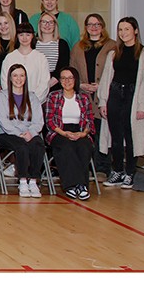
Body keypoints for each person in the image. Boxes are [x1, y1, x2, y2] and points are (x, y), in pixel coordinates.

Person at [98, 17, 144, 190]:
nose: (123, 33)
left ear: (135, 31)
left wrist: (142, 105)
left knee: (131, 137)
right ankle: (117, 171)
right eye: (120, 29)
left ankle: (130, 172)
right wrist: (103, 101)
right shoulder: (114, 53)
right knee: (115, 136)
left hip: (133, 96)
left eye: (127, 29)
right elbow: (106, 78)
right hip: (115, 94)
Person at [71, 13, 115, 175]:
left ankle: (102, 167)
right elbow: (71, 70)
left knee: (103, 133)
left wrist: (101, 86)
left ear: (102, 26)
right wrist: (81, 85)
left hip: (104, 96)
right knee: (86, 132)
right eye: (90, 24)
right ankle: (87, 167)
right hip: (84, 96)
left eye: (97, 24)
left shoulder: (112, 46)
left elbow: (116, 72)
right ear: (86, 27)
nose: (94, 27)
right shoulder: (78, 47)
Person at [0, 63, 46, 198]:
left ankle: (33, 181)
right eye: (15, 76)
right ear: (10, 78)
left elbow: (39, 121)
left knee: (38, 145)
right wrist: (19, 134)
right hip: (8, 134)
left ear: (25, 78)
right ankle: (23, 181)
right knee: (22, 147)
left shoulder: (33, 97)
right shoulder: (2, 96)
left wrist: (31, 133)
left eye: (22, 75)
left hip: (30, 133)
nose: (19, 79)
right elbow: (3, 121)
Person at [46, 67, 96, 200]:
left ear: (75, 79)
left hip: (80, 130)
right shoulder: (53, 96)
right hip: (59, 131)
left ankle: (80, 186)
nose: (67, 81)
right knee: (66, 147)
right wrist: (64, 133)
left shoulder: (83, 97)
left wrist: (83, 134)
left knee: (84, 147)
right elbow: (50, 121)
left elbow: (89, 120)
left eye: (70, 78)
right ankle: (73, 185)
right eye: (63, 78)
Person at [0, 23, 51, 100]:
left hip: (36, 101)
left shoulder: (41, 58)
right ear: (17, 36)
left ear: (32, 36)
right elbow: (5, 81)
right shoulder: (9, 58)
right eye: (21, 35)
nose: (24, 38)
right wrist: (15, 99)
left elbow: (44, 83)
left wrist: (33, 100)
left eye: (28, 35)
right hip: (13, 101)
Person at [35, 11, 71, 90]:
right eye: (44, 22)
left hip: (55, 85)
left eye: (51, 22)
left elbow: (63, 66)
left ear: (55, 25)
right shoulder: (33, 43)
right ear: (39, 24)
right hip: (35, 84)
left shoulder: (62, 44)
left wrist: (48, 85)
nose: (47, 25)